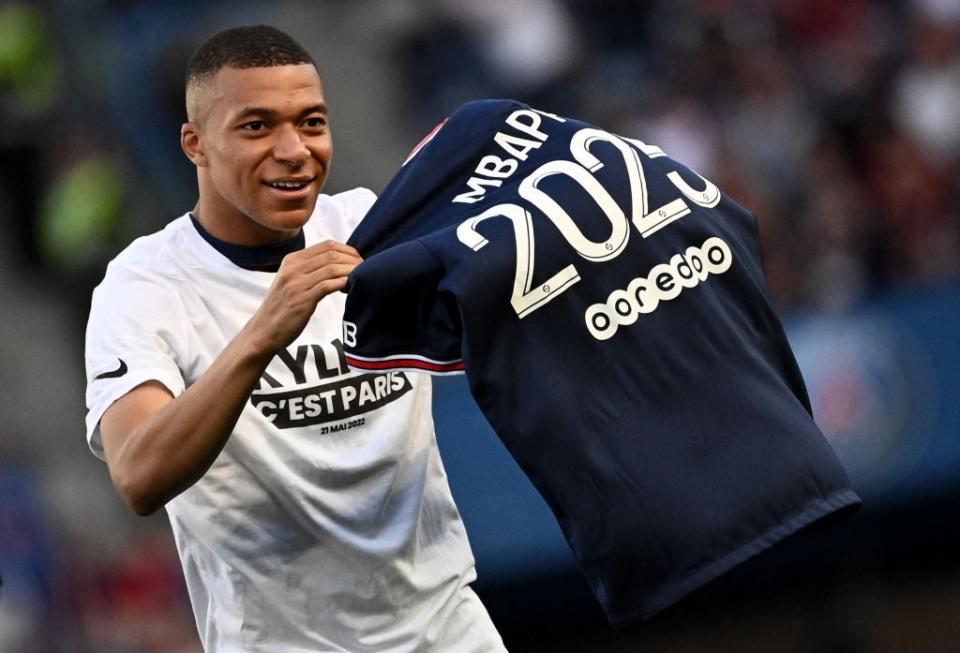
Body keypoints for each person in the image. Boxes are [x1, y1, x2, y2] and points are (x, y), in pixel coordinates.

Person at [84, 25, 506, 653]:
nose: (294, 150)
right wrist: (264, 331)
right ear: (195, 143)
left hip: (450, 630)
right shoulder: (144, 286)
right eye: (256, 126)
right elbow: (140, 474)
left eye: (311, 123)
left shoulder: (375, 228)